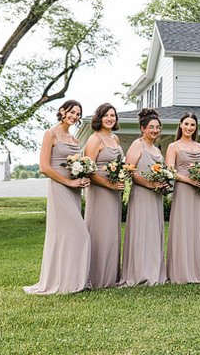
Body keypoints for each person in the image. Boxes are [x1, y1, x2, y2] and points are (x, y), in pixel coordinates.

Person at [24, 100, 91, 294]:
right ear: (62, 111)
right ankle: (63, 282)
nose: (74, 116)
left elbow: (76, 166)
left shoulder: (74, 139)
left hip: (75, 191)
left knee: (69, 236)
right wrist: (69, 182)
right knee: (80, 234)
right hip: (60, 189)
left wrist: (82, 177)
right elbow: (44, 167)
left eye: (78, 114)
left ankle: (71, 280)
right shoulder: (50, 134)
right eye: (71, 112)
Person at [119, 108, 167, 287]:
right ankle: (139, 273)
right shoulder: (137, 145)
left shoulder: (156, 149)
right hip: (141, 195)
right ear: (142, 128)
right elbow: (128, 170)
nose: (155, 130)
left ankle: (153, 272)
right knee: (142, 232)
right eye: (151, 127)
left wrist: (163, 182)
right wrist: (148, 184)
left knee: (154, 233)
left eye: (157, 127)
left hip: (156, 196)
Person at [83, 103, 125, 289]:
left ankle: (111, 276)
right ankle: (97, 277)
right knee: (99, 232)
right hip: (100, 192)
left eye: (113, 115)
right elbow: (88, 172)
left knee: (112, 234)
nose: (110, 118)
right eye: (107, 115)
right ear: (99, 118)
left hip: (114, 193)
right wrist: (109, 184)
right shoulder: (94, 140)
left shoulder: (115, 139)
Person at [165, 112, 200, 284]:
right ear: (181, 125)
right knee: (183, 227)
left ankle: (197, 270)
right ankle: (181, 271)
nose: (189, 128)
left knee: (196, 227)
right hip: (183, 189)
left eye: (193, 125)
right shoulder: (173, 146)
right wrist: (189, 180)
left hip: (198, 192)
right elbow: (170, 170)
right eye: (187, 124)